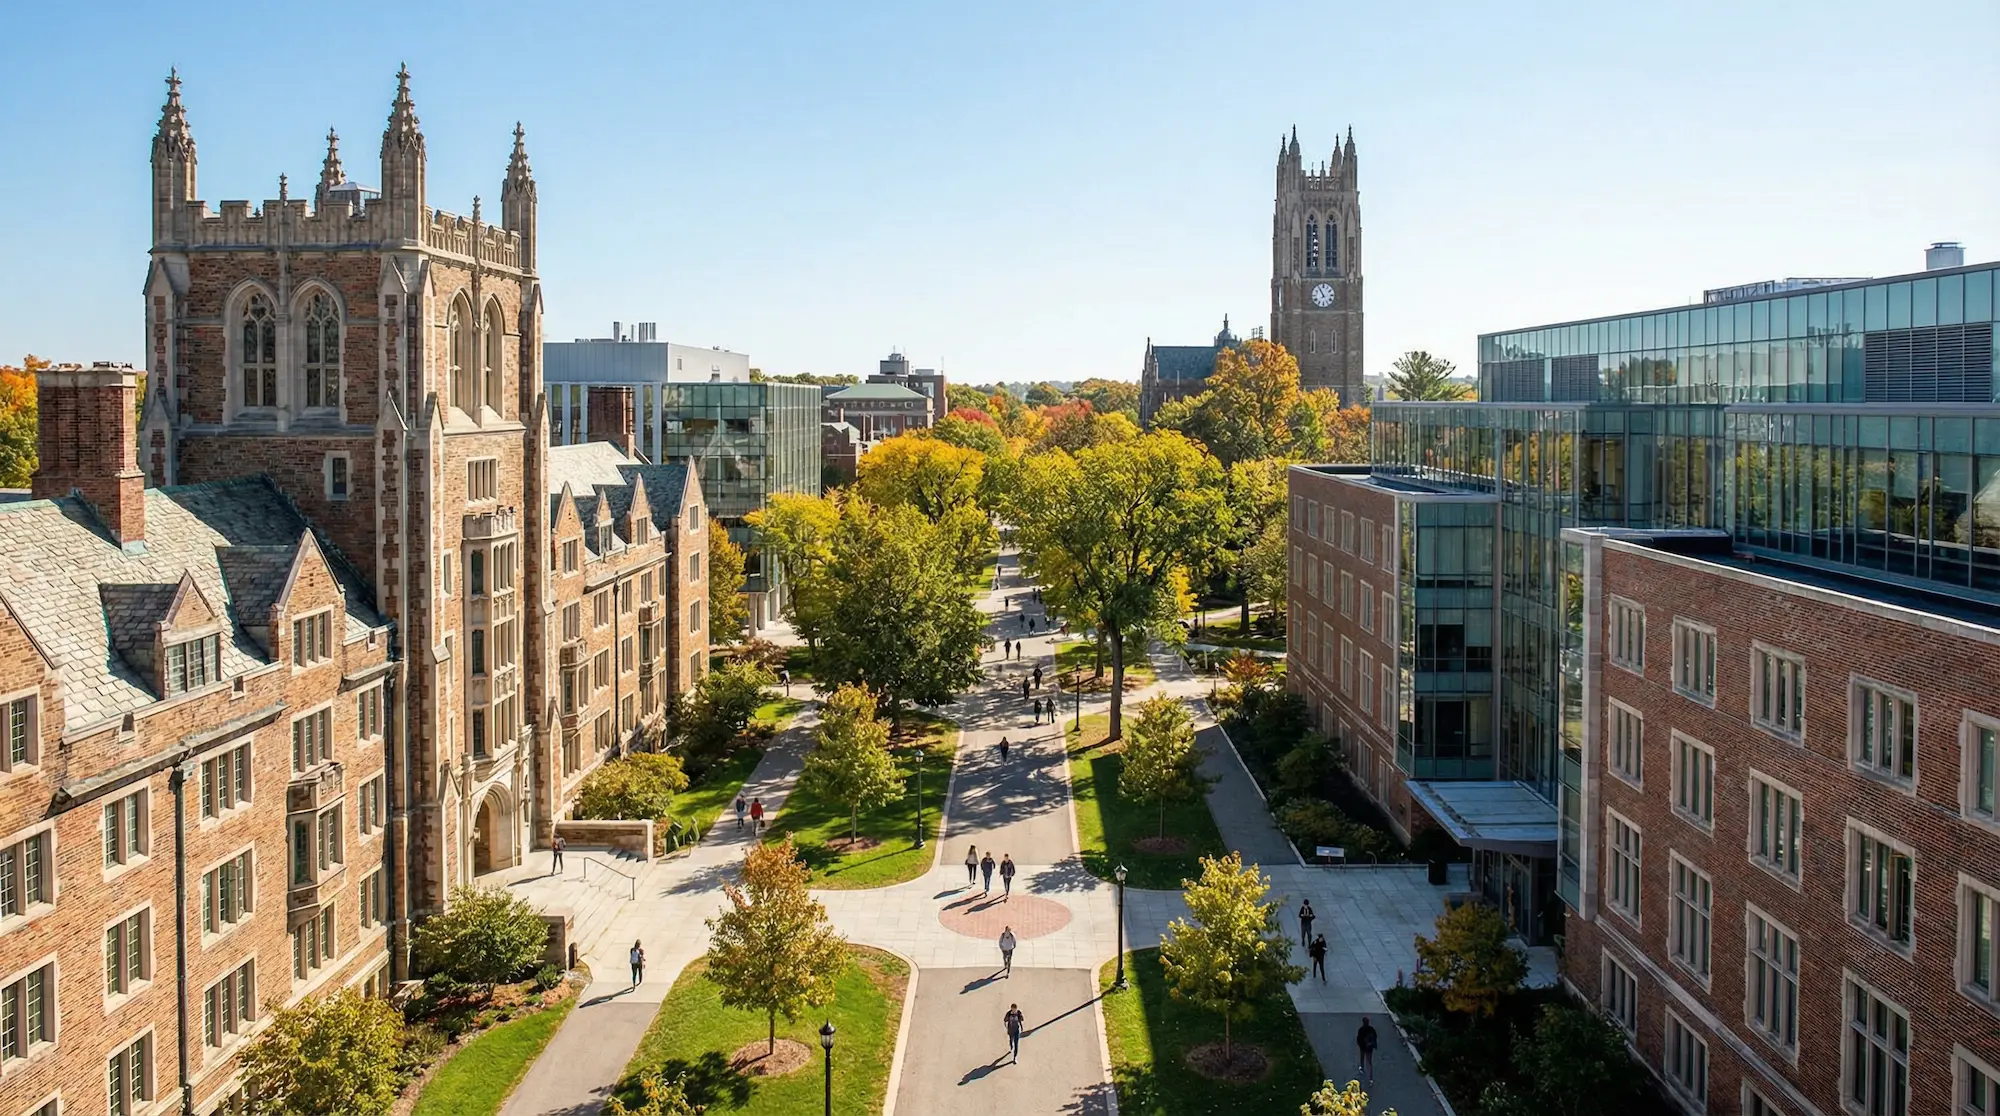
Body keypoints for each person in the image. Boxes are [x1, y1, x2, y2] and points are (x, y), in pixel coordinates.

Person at [1355, 1016, 1378, 1083]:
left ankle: (1362, 1067)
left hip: (1363, 1047)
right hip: (1369, 1048)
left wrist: (1360, 1045)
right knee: (1369, 1062)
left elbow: (1358, 1038)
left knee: (1362, 1057)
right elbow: (1375, 1037)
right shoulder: (1371, 1029)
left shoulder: (1361, 1029)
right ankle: (1370, 1078)